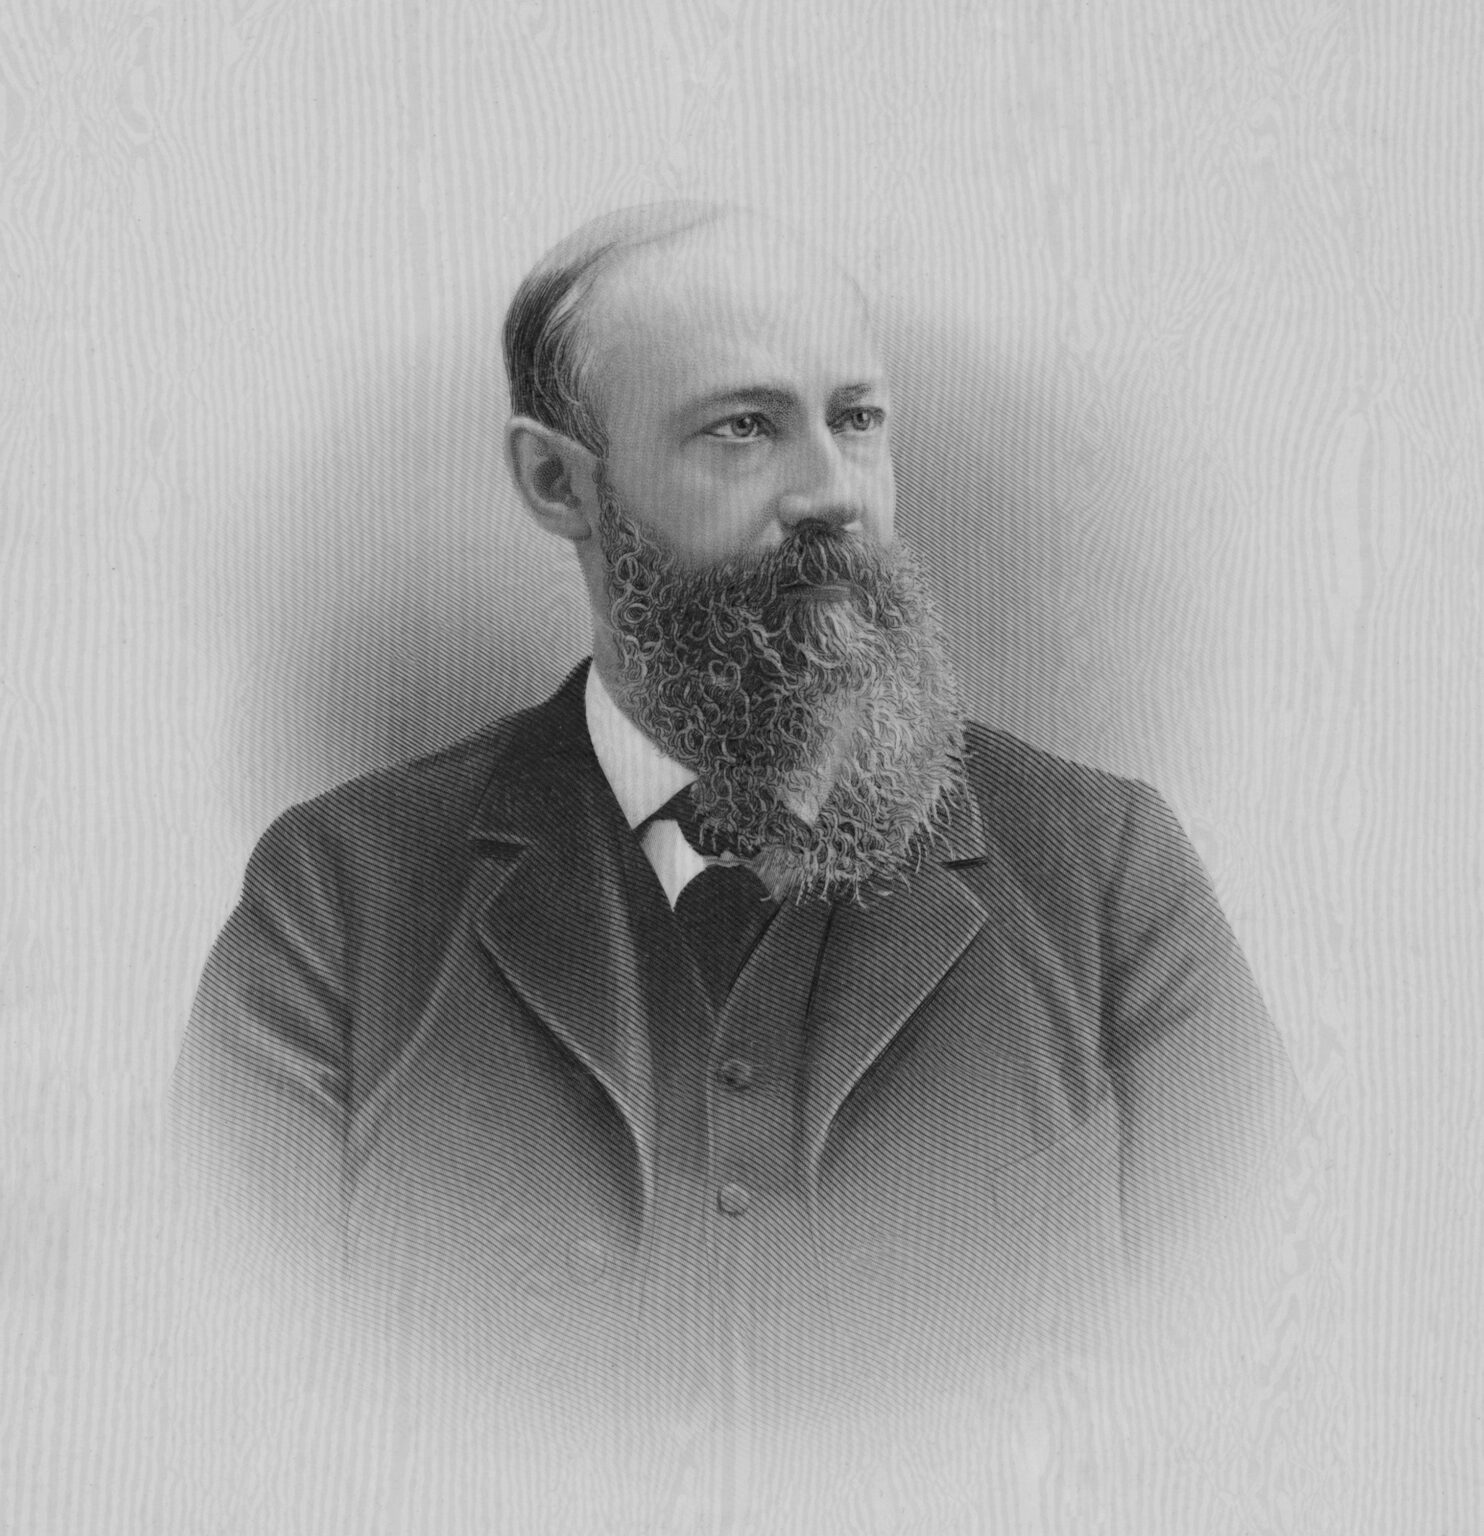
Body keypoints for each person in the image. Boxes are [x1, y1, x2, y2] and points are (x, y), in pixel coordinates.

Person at [172, 202, 1304, 1411]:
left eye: (855, 420)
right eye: (743, 428)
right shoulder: (338, 903)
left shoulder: (1104, 873)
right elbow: (245, 1387)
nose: (831, 494)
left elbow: (1260, 1342)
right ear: (558, 482)